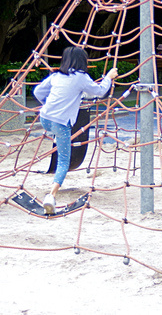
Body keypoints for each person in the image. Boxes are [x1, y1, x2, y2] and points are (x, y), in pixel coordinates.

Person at [34, 46, 117, 214]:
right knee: (64, 160)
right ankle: (51, 196)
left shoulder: (56, 75)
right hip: (61, 123)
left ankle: (56, 137)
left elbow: (37, 92)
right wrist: (108, 77)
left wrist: (49, 104)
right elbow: (100, 92)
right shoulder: (81, 77)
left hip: (44, 118)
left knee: (58, 134)